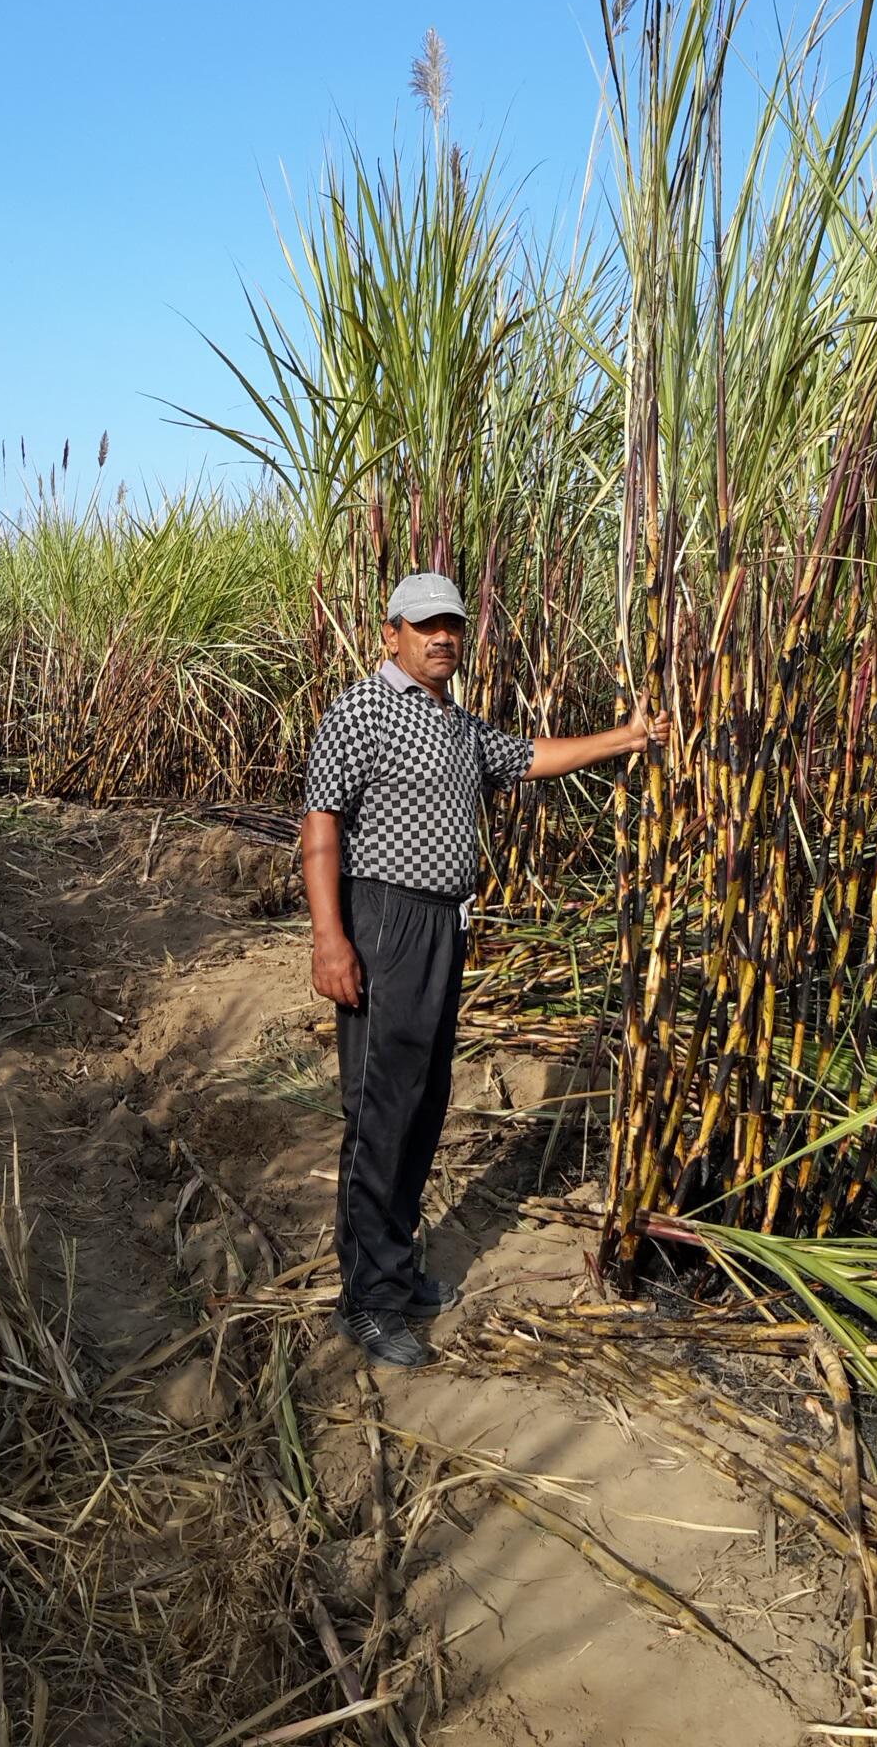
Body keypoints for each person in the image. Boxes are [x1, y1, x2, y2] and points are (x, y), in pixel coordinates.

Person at [302, 571, 671, 1367]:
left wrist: (626, 739)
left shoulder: (456, 724)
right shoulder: (362, 709)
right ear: (390, 631)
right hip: (383, 918)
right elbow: (322, 821)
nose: (443, 637)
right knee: (381, 1109)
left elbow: (529, 756)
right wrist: (330, 938)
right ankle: (367, 1301)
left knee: (424, 1101)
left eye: (453, 626)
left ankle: (393, 1266)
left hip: (441, 925)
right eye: (426, 624)